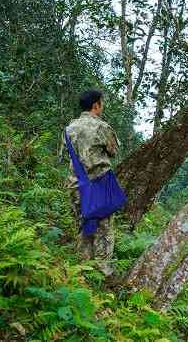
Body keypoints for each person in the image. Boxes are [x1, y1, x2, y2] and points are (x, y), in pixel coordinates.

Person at [65, 89, 120, 277]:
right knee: (104, 229)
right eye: (101, 103)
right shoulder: (101, 127)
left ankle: (82, 272)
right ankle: (102, 273)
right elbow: (113, 150)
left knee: (83, 226)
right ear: (96, 105)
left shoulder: (69, 128)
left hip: (75, 185)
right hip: (99, 185)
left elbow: (65, 155)